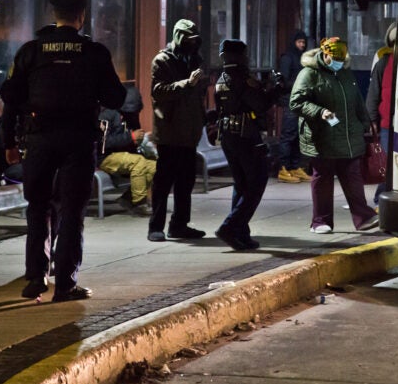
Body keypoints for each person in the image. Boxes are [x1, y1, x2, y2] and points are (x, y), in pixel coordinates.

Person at [0, 0, 126, 302]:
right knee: (72, 211)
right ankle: (66, 284)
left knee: (38, 207)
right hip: (79, 140)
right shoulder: (94, 52)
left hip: (38, 139)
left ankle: (36, 279)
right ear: (81, 17)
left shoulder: (31, 51)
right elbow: (116, 98)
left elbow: (10, 97)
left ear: (54, 17)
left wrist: (8, 142)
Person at [289, 36, 380, 234]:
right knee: (323, 178)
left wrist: (365, 124)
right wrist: (319, 111)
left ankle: (363, 217)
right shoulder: (309, 73)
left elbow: (357, 101)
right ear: (325, 54)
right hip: (322, 137)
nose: (338, 62)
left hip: (349, 136)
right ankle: (320, 221)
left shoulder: (346, 74)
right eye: (334, 58)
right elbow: (296, 102)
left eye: (342, 58)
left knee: (353, 177)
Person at [213, 39, 286, 250]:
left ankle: (240, 233)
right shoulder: (242, 79)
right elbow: (260, 104)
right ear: (239, 56)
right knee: (256, 183)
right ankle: (230, 226)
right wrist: (276, 90)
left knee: (241, 184)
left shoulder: (221, 79)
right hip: (245, 136)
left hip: (228, 136)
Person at [147, 19, 210, 242]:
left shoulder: (196, 59)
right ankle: (156, 226)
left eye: (195, 40)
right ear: (179, 37)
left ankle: (179, 225)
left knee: (186, 182)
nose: (192, 44)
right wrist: (187, 83)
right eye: (188, 39)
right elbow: (158, 92)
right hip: (170, 131)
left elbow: (198, 95)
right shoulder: (162, 61)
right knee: (163, 182)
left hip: (190, 131)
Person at [98, 84, 156, 216]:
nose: (133, 114)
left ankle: (127, 199)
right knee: (138, 162)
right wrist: (130, 137)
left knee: (154, 166)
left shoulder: (132, 117)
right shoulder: (108, 115)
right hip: (106, 157)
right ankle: (139, 203)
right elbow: (103, 142)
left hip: (125, 155)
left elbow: (131, 141)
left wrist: (140, 140)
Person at [366, 23, 397, 207]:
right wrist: (372, 120)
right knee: (386, 164)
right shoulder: (383, 63)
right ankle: (380, 199)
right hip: (387, 124)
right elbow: (374, 93)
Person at [275, 30, 310, 183]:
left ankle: (295, 166)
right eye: (299, 42)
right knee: (289, 134)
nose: (302, 45)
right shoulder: (288, 58)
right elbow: (284, 80)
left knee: (298, 134)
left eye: (303, 42)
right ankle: (284, 167)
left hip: (301, 100)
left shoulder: (302, 58)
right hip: (291, 100)